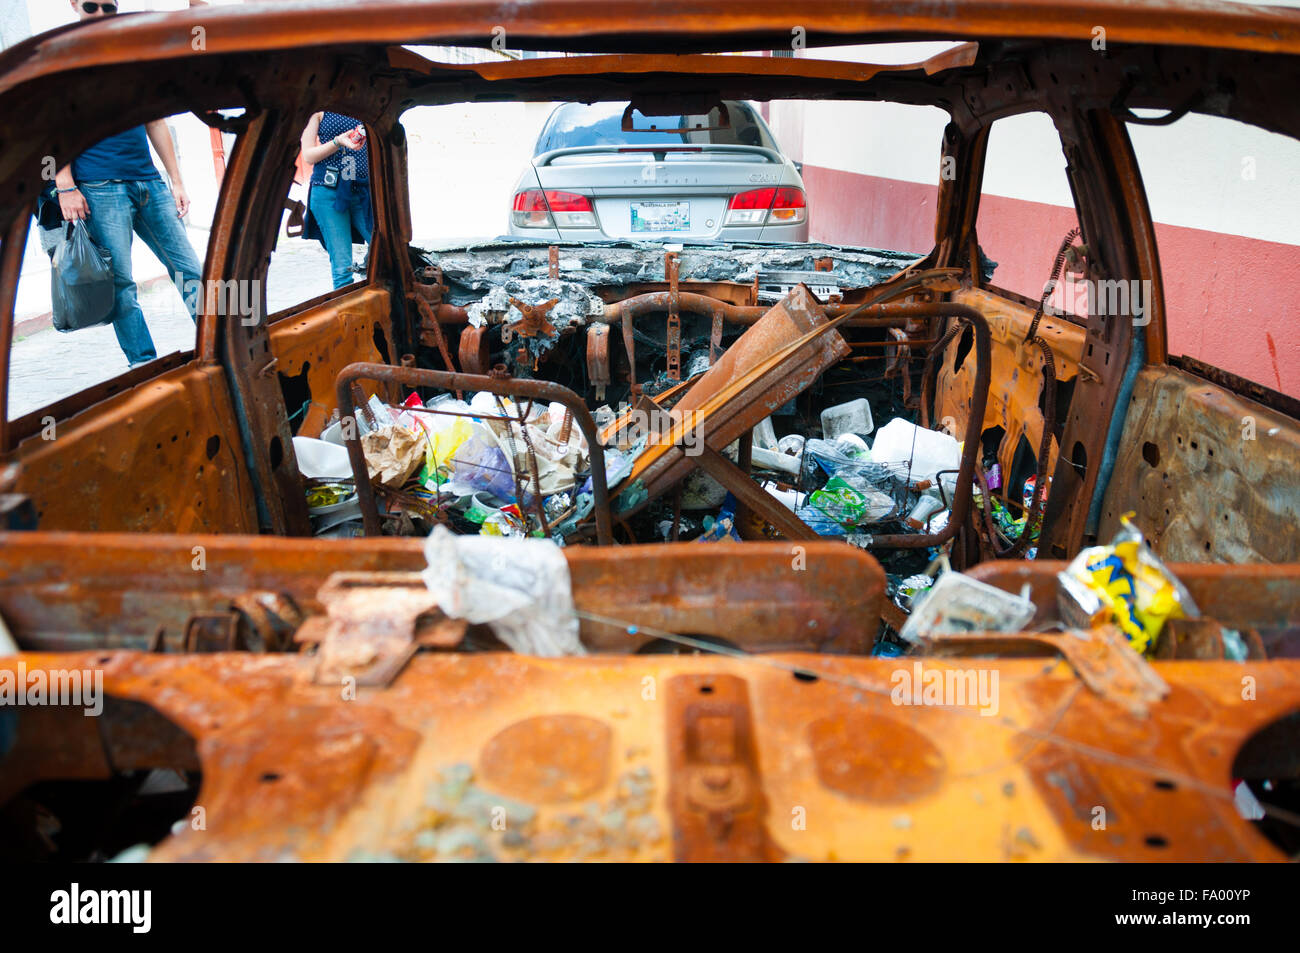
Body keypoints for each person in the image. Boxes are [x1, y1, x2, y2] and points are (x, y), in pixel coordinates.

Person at [44, 0, 204, 368]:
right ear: (74, 5)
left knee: (191, 270)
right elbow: (53, 130)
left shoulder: (132, 53)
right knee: (121, 285)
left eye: (108, 7)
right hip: (100, 189)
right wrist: (65, 185)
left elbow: (155, 121)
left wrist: (175, 180)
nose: (100, 13)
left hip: (149, 183)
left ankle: (223, 342)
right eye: (91, 6)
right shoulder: (63, 56)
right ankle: (143, 364)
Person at [300, 111, 372, 289]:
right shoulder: (318, 110)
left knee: (386, 249)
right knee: (343, 269)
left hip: (362, 190)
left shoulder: (366, 104)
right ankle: (349, 315)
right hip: (328, 192)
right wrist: (337, 142)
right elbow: (308, 156)